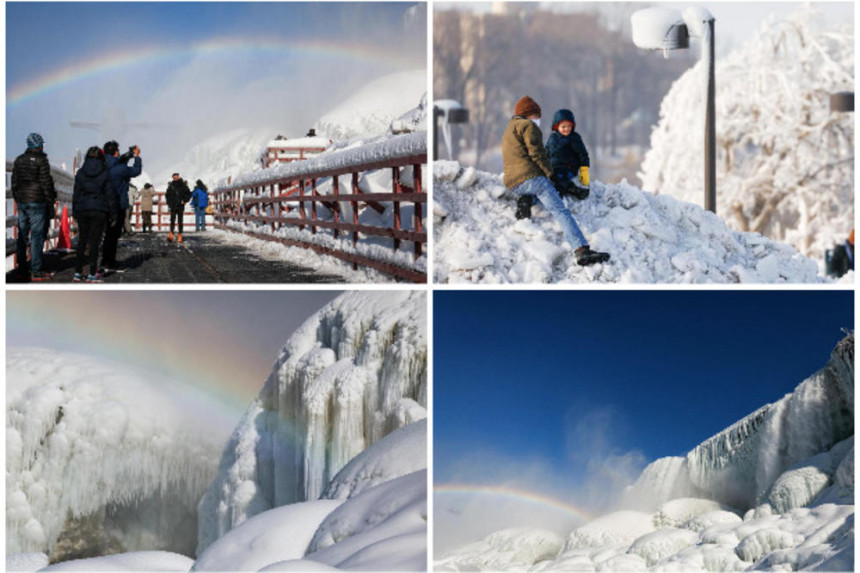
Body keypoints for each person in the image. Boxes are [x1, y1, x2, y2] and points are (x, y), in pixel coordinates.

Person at [502, 96, 609, 266]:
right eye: (537, 115)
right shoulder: (529, 127)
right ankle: (581, 250)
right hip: (532, 178)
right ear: (529, 114)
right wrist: (549, 173)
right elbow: (537, 153)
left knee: (540, 192)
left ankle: (528, 199)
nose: (538, 120)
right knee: (561, 211)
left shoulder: (509, 129)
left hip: (513, 182)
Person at [11, 133, 57, 281]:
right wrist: (50, 202)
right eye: (41, 144)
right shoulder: (42, 160)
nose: (43, 146)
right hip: (37, 202)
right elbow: (45, 183)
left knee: (22, 235)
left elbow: (14, 183)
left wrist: (19, 198)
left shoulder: (19, 160)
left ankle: (22, 268)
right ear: (38, 145)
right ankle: (36, 270)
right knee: (37, 236)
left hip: (23, 202)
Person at [72, 147, 118, 283]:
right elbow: (110, 195)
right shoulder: (105, 173)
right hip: (99, 210)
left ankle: (78, 272)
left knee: (82, 241)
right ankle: (92, 273)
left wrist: (75, 211)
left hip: (83, 209)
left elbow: (76, 194)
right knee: (94, 242)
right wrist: (114, 214)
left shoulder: (80, 173)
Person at [102, 141, 142, 272]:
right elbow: (136, 171)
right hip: (118, 204)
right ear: (116, 152)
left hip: (102, 204)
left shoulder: (101, 164)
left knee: (107, 233)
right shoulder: (120, 168)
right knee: (114, 235)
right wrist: (136, 156)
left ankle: (104, 260)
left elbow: (117, 160)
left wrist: (128, 155)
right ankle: (110, 261)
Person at [545, 108, 591, 199]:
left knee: (559, 181)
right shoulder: (552, 138)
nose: (567, 129)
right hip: (553, 168)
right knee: (551, 180)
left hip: (568, 168)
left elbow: (582, 154)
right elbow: (546, 152)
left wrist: (584, 168)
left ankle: (574, 190)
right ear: (557, 127)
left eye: (569, 126)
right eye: (563, 127)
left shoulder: (574, 138)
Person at [166, 173, 191, 243]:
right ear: (173, 178)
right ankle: (171, 233)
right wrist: (169, 203)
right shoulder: (171, 185)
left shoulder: (183, 185)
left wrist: (184, 200)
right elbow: (167, 195)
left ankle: (180, 234)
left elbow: (189, 194)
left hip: (180, 205)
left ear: (178, 177)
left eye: (176, 177)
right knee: (172, 220)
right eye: (174, 177)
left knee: (180, 221)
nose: (175, 178)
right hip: (173, 205)